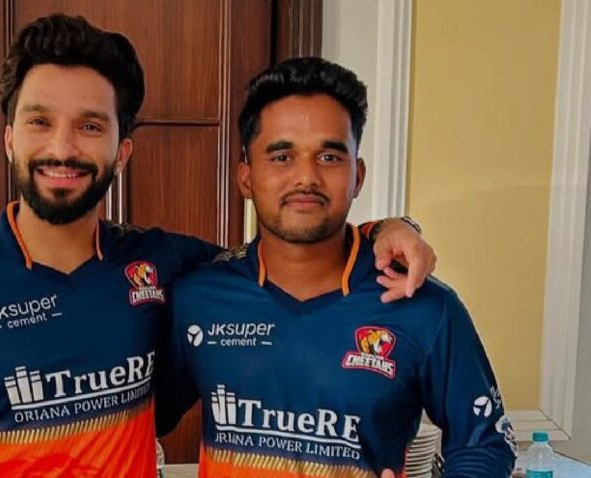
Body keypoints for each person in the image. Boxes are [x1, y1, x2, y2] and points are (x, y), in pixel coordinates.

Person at [0, 15, 437, 477]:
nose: (62, 148)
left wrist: (387, 227)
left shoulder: (163, 264)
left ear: (122, 152)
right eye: (40, 122)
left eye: (90, 126)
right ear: (10, 139)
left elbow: (292, 252)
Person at [156, 57, 516, 478]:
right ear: (246, 178)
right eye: (282, 157)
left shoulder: (422, 306)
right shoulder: (198, 297)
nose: (306, 177)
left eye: (328, 156)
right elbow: (144, 414)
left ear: (357, 176)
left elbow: (485, 445)